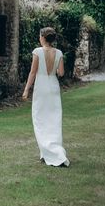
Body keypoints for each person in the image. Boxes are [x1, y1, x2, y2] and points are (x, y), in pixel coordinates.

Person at [22, 27, 70, 167]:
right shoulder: (59, 52)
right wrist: (54, 68)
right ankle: (51, 152)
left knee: (40, 119)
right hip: (53, 86)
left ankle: (47, 152)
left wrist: (26, 90)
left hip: (41, 87)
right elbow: (61, 73)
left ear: (42, 37)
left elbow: (32, 72)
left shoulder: (37, 52)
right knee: (54, 119)